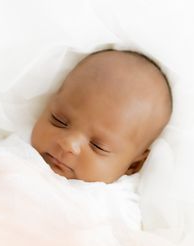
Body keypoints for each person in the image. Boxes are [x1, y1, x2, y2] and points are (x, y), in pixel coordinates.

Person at [31, 49, 172, 183]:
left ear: (133, 166)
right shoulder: (16, 152)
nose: (69, 144)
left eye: (98, 146)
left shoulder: (109, 203)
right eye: (58, 120)